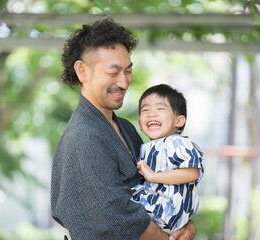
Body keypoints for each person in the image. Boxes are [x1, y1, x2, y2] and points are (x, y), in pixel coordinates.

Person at [50, 17, 196, 240]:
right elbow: (121, 214)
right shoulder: (84, 135)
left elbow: (161, 186)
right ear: (82, 71)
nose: (124, 82)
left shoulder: (126, 128)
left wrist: (186, 226)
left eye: (127, 71)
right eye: (113, 72)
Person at [131, 84, 205, 234]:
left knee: (117, 202)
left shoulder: (176, 142)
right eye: (145, 110)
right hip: (161, 210)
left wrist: (154, 176)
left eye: (160, 109)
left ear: (178, 121)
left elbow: (192, 173)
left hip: (168, 209)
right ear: (140, 124)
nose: (151, 114)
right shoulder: (149, 147)